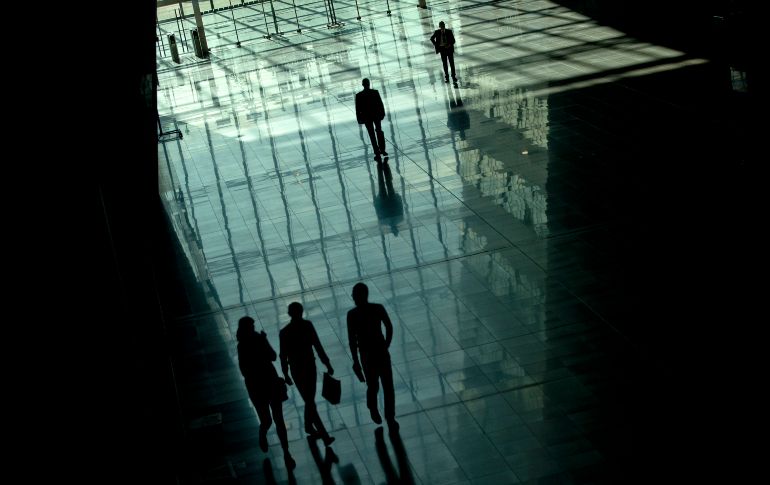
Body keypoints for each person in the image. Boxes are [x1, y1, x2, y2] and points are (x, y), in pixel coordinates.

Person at [236, 317, 295, 469]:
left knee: (272, 419)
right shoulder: (250, 342)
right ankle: (281, 448)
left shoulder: (244, 345)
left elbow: (245, 370)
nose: (253, 328)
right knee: (274, 419)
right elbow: (272, 356)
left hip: (259, 385)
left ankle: (285, 451)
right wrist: (263, 343)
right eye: (252, 326)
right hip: (266, 381)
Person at [280, 302, 336, 446]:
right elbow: (317, 345)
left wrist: (286, 374)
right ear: (301, 311)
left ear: (289, 313)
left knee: (309, 400)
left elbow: (283, 355)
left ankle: (308, 426)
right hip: (309, 366)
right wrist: (327, 363)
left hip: (297, 370)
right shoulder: (307, 326)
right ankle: (324, 435)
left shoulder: (285, 332)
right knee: (310, 401)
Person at [347, 282, 398, 429]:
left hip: (366, 354)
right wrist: (386, 344)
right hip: (380, 350)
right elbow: (389, 326)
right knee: (387, 385)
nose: (353, 297)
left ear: (360, 295)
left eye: (354, 294)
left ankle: (373, 407)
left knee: (373, 384)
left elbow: (352, 340)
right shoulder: (377, 308)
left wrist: (356, 360)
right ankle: (390, 415)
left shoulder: (352, 315)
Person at [355, 78, 388, 161]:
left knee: (372, 134)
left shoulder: (359, 95)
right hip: (376, 115)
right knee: (379, 131)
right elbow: (380, 104)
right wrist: (382, 113)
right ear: (369, 84)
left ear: (362, 85)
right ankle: (382, 149)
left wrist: (359, 118)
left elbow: (358, 109)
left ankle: (377, 152)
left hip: (366, 117)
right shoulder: (375, 92)